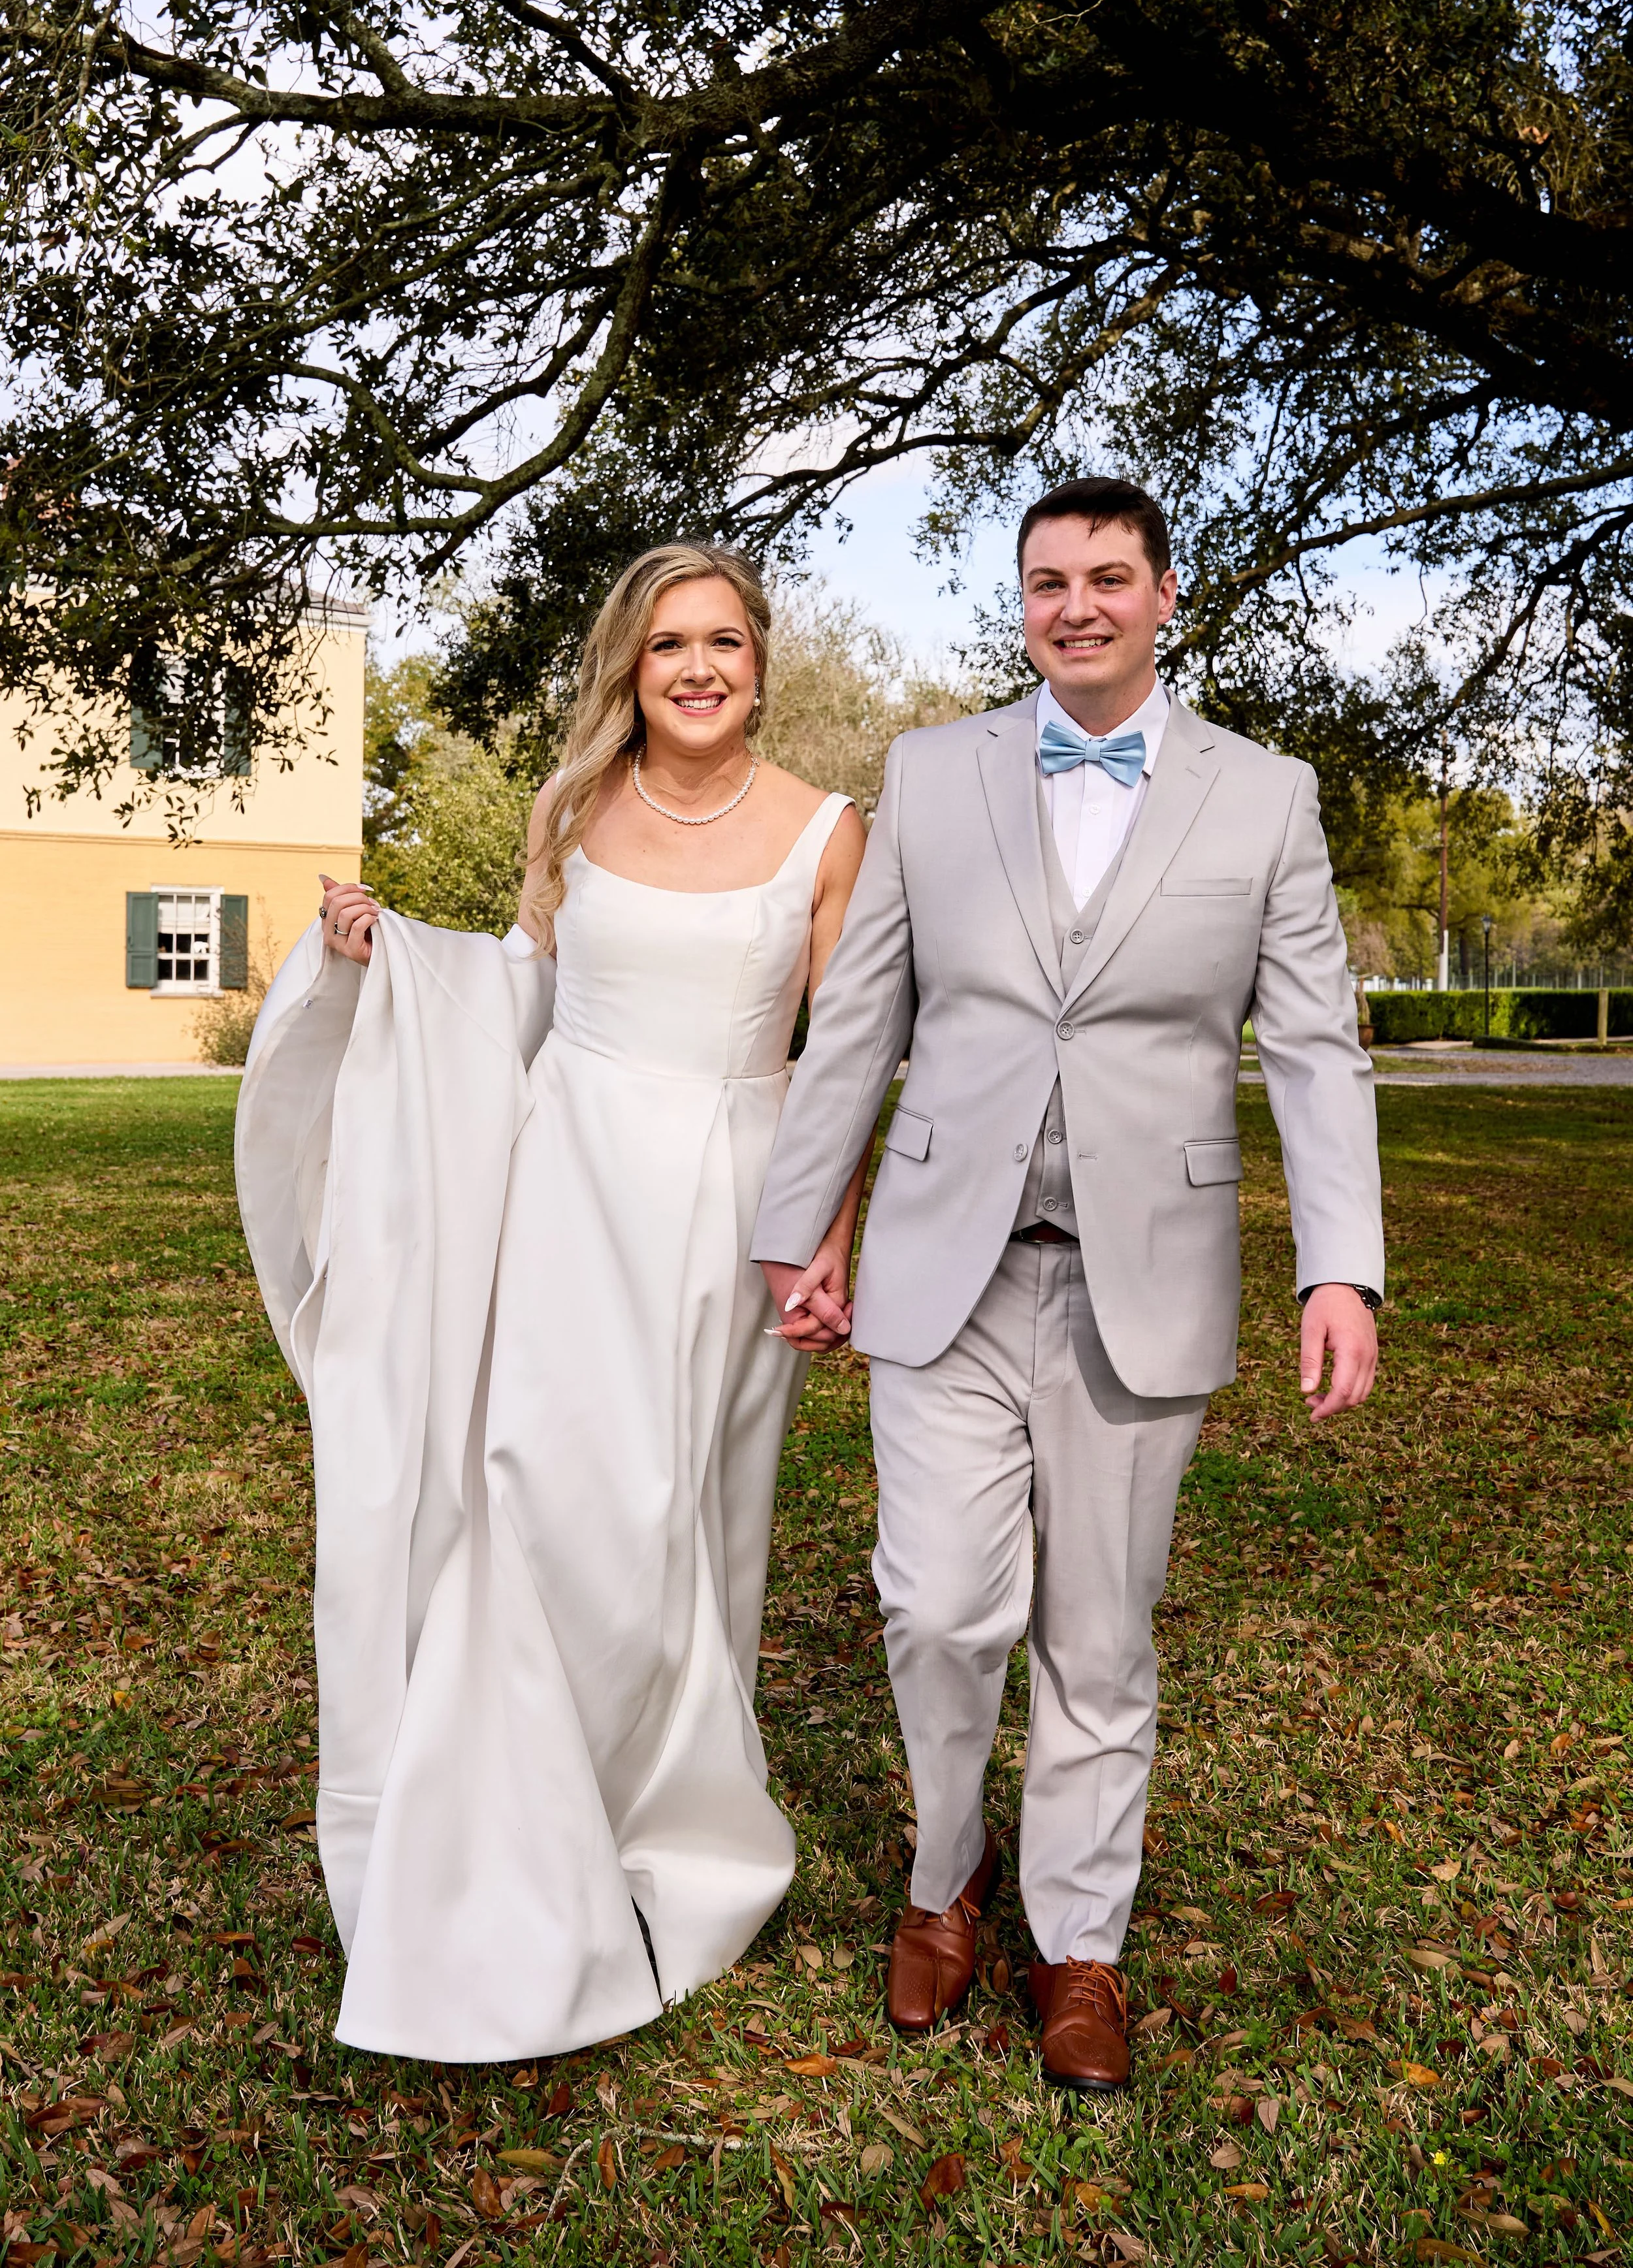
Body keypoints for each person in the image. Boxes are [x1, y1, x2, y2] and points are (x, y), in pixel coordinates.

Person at [752, 476, 1383, 2092]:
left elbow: (1311, 1049)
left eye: (1109, 577)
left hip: (1142, 1284)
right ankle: (942, 1871)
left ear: (1167, 593)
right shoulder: (928, 775)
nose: (1077, 605)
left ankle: (1079, 1944)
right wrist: (794, 1221)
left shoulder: (1266, 797)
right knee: (937, 1608)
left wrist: (1341, 1269)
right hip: (939, 1271)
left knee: (1098, 1640)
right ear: (1019, 603)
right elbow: (860, 1025)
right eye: (1047, 582)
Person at [235, 543, 865, 2062]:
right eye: (667, 648)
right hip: (566, 1182)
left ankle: (661, 1814)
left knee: (685, 1513)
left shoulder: (832, 830)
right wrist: (390, 964)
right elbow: (518, 993)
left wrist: (828, 1230)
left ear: (760, 660)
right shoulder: (570, 811)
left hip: (734, 1197)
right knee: (529, 1488)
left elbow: (845, 1050)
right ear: (628, 670)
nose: (698, 668)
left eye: (722, 640)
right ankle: (502, 1836)